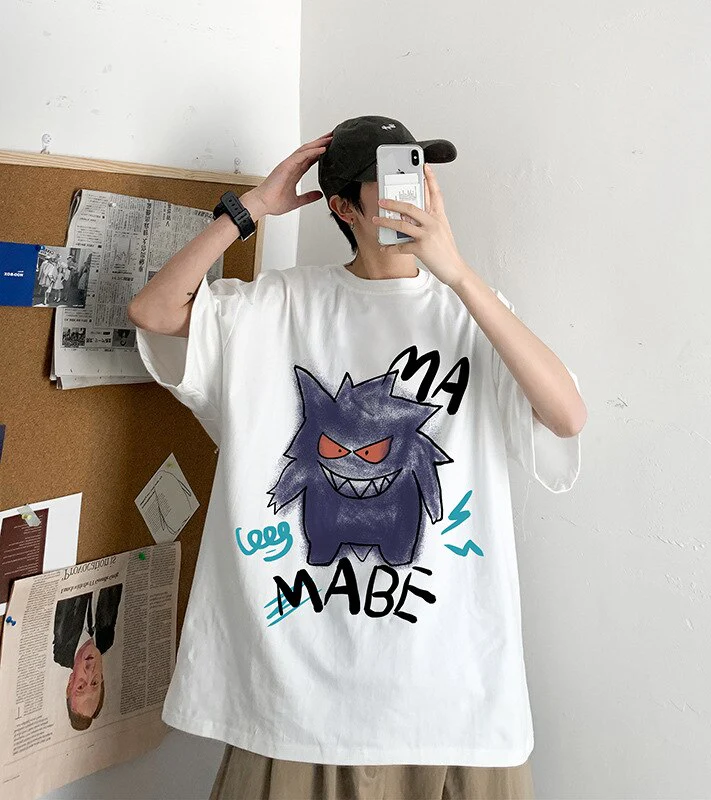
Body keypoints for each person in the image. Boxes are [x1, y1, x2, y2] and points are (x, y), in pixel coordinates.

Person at [127, 115, 587, 800]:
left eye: (418, 171)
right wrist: (251, 208)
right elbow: (155, 311)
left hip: (451, 701)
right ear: (343, 207)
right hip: (296, 703)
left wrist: (458, 275)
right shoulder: (278, 306)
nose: (412, 191)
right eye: (390, 178)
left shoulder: (470, 313)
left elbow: (566, 416)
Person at [52, 584, 123, 730]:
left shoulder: (61, 646)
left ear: (70, 685)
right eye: (95, 683)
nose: (90, 671)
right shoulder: (107, 639)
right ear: (102, 677)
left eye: (80, 686)